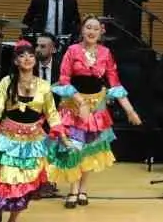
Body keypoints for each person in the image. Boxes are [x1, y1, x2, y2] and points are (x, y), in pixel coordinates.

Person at [0, 40, 64, 222]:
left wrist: (63, 136)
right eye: (22, 56)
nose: (27, 59)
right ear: (16, 61)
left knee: (26, 183)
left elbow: (52, 114)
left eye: (31, 55)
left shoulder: (43, 85)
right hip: (9, 138)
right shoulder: (7, 82)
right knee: (4, 178)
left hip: (33, 141)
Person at [51, 16, 141, 206]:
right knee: (74, 148)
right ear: (82, 30)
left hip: (96, 106)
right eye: (88, 27)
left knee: (89, 149)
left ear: (101, 32)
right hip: (74, 104)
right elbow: (64, 80)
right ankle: (73, 189)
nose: (91, 32)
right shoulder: (72, 50)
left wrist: (130, 110)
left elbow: (114, 83)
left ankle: (83, 189)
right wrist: (80, 102)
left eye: (95, 29)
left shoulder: (106, 53)